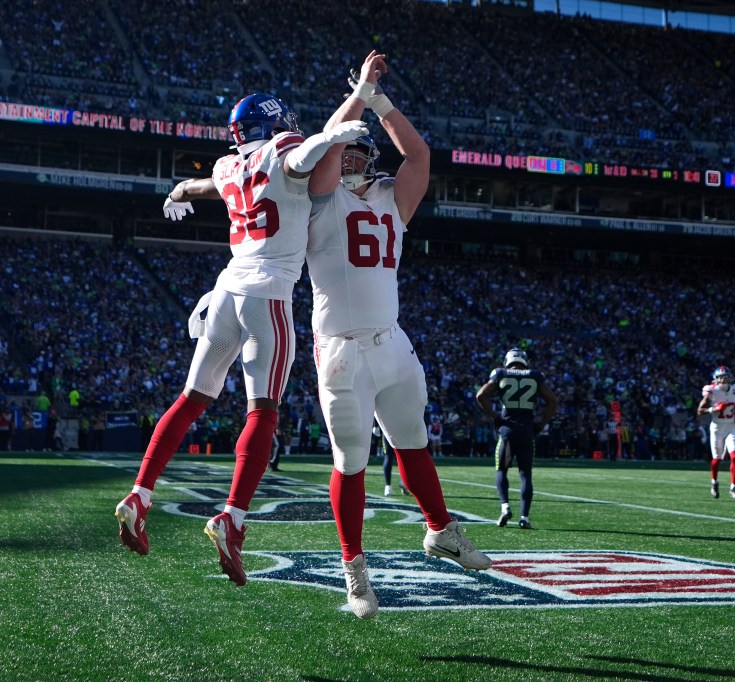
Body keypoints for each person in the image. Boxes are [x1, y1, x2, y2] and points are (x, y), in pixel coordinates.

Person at [114, 91, 369, 587]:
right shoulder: (286, 146)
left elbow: (198, 186)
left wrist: (174, 193)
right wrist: (330, 137)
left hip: (225, 291)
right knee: (263, 411)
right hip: (267, 295)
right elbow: (298, 157)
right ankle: (232, 516)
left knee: (191, 399)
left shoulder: (229, 165)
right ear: (273, 123)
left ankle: (139, 494)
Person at [306, 50, 491, 619]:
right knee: (352, 460)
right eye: (348, 150)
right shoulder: (318, 199)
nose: (356, 156)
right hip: (341, 350)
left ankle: (440, 529)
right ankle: (355, 572)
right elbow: (322, 150)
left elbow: (419, 153)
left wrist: (379, 99)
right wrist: (357, 97)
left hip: (391, 342)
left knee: (413, 442)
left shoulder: (392, 198)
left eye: (362, 150)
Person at [475, 348, 558, 530]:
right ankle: (524, 517)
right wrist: (542, 422)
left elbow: (481, 395)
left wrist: (494, 416)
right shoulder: (535, 376)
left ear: (507, 360)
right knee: (525, 474)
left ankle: (505, 507)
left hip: (508, 429)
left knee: (501, 470)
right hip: (527, 429)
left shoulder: (501, 373)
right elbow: (552, 400)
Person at [696, 366, 735, 499]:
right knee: (717, 459)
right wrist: (714, 409)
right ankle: (714, 482)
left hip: (731, 426)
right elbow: (700, 411)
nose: (723, 380)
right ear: (716, 379)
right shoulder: (711, 391)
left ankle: (733, 487)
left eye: (726, 377)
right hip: (717, 427)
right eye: (721, 377)